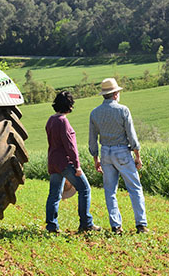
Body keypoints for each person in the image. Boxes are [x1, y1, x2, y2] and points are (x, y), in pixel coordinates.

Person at [89, 78, 148, 235]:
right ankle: (141, 224)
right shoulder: (123, 110)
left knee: (110, 191)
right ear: (115, 94)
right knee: (134, 188)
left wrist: (96, 159)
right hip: (122, 152)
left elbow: (92, 139)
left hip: (105, 153)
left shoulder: (94, 113)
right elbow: (131, 135)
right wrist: (137, 155)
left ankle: (116, 226)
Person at [45, 91, 101, 233]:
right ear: (69, 106)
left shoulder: (50, 120)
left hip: (53, 162)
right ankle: (86, 224)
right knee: (85, 189)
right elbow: (70, 146)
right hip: (65, 163)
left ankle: (51, 226)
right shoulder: (63, 121)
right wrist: (77, 166)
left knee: (54, 195)